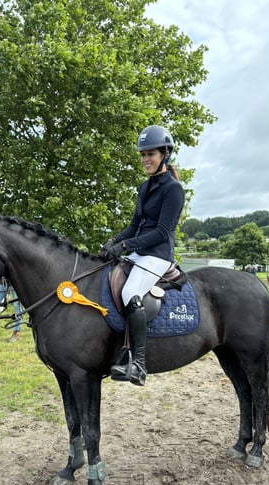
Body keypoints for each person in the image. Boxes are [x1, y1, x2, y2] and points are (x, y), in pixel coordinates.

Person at [100, 124, 185, 386]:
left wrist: (125, 247)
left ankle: (137, 363)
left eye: (151, 154)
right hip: (139, 253)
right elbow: (135, 226)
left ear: (165, 155)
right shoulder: (144, 187)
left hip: (157, 255)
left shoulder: (173, 189)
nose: (146, 159)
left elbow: (161, 232)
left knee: (129, 294)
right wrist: (114, 241)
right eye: (143, 154)